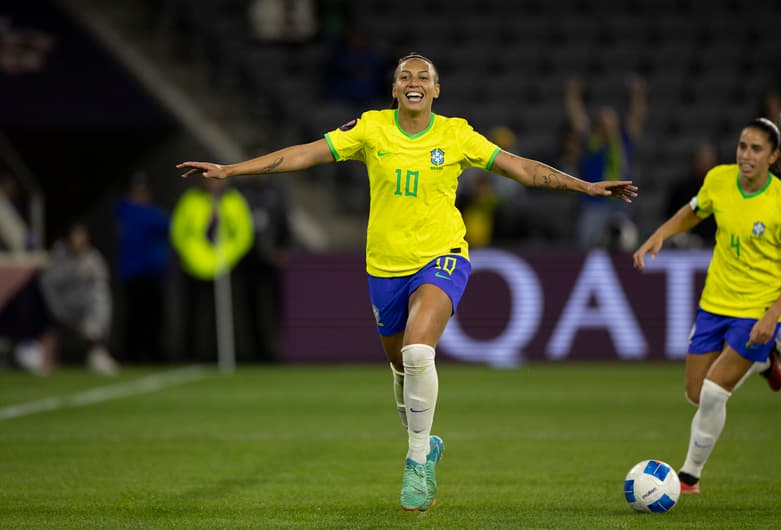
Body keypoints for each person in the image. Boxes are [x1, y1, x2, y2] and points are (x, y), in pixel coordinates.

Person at [177, 53, 637, 512]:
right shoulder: (371, 129)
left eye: (424, 77)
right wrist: (231, 170)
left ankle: (417, 464)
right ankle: (425, 441)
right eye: (405, 76)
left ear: (436, 90)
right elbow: (305, 154)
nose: (414, 81)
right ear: (395, 89)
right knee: (402, 372)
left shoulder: (456, 134)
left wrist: (586, 187)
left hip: (442, 257)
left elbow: (518, 167)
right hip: (384, 268)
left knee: (419, 352)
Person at [633, 116, 781, 494]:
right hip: (715, 302)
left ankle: (689, 476)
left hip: (758, 308)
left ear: (772, 157)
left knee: (712, 393)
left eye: (756, 149)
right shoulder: (719, 179)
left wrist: (772, 315)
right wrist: (659, 235)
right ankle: (764, 361)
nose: (746, 155)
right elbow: (695, 210)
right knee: (694, 393)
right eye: (742, 146)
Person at [170, 177, 254, 363]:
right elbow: (178, 231)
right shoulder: (190, 199)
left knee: (223, 316)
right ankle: (189, 355)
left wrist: (227, 258)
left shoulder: (234, 200)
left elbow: (243, 235)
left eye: (217, 180)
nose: (214, 184)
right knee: (192, 314)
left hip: (224, 266)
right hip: (193, 266)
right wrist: (191, 256)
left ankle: (220, 355)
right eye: (210, 180)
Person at [565, 75, 646, 249]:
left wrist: (638, 95)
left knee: (627, 243)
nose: (607, 124)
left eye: (610, 119)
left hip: (619, 201)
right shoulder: (591, 141)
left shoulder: (623, 140)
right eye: (603, 119)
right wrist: (573, 95)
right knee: (586, 243)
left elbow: (637, 117)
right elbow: (578, 120)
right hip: (593, 202)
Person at [39, 223, 119, 375]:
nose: (79, 240)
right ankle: (42, 355)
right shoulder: (59, 256)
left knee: (100, 300)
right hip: (59, 306)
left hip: (84, 308)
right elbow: (48, 283)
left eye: (82, 236)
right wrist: (75, 271)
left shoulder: (92, 256)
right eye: (76, 236)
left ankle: (97, 351)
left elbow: (101, 280)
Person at [114, 171, 171, 363]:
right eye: (136, 191)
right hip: (134, 272)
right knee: (134, 316)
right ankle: (132, 354)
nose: (140, 195)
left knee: (154, 317)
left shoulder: (151, 212)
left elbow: (168, 226)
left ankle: (154, 353)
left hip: (153, 272)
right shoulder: (128, 211)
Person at [237, 173, 291, 362]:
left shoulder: (275, 191)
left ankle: (273, 351)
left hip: (271, 258)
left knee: (273, 307)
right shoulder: (239, 192)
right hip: (246, 258)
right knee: (248, 307)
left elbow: (284, 221)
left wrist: (282, 247)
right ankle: (251, 351)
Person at [663, 143, 718, 249]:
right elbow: (670, 215)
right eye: (701, 159)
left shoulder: (721, 189)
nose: (704, 163)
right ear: (695, 161)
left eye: (707, 160)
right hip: (687, 243)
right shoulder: (682, 188)